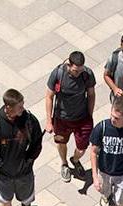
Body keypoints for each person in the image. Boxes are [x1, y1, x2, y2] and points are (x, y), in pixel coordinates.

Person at [45, 51, 96, 182]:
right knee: (61, 142)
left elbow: (91, 94)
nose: (78, 73)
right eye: (75, 71)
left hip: (82, 118)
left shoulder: (87, 74)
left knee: (82, 147)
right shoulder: (58, 74)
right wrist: (49, 121)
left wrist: (90, 115)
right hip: (62, 118)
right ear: (69, 65)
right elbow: (49, 97)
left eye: (80, 70)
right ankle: (64, 163)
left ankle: (75, 159)